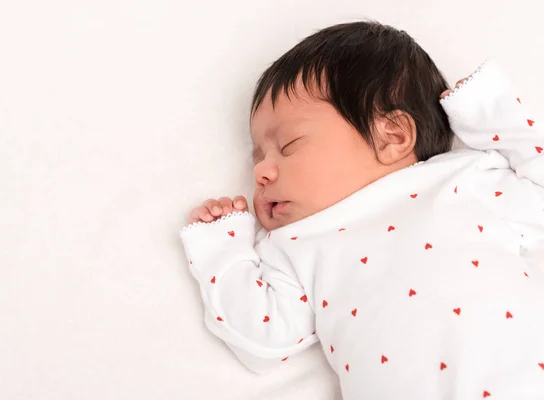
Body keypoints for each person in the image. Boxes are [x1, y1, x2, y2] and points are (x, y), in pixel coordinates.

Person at [180, 20, 544, 398]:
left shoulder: (462, 182)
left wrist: (488, 111)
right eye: (258, 155)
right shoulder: (295, 244)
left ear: (393, 136)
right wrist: (223, 250)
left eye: (288, 145)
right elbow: (261, 340)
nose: (260, 171)